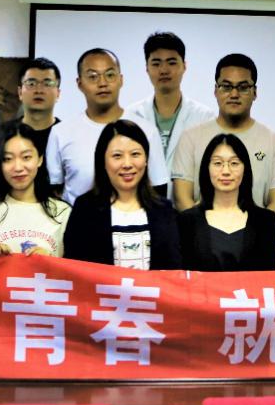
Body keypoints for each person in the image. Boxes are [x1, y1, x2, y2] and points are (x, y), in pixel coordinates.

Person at [46, 48, 169, 205]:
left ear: (121, 80)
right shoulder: (61, 132)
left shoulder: (146, 130)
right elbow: (54, 192)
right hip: (78, 219)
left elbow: (158, 189)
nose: (102, 83)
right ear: (79, 83)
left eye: (110, 75)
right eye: (93, 77)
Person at [173, 53, 275, 212]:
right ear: (215, 91)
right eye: (226, 87)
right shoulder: (190, 138)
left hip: (257, 228)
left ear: (255, 92)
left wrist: (253, 227)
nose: (234, 94)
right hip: (200, 227)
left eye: (243, 87)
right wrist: (203, 226)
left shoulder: (274, 142)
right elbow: (181, 198)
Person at [64, 120, 182, 269]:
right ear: (103, 161)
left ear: (146, 159)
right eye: (117, 156)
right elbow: (73, 268)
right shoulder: (85, 209)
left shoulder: (164, 209)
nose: (127, 164)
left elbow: (174, 269)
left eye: (135, 154)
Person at [0, 123, 70, 257]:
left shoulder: (63, 213)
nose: (18, 167)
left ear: (40, 159)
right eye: (7, 159)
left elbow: (71, 268)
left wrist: (48, 260)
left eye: (26, 157)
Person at [179, 133, 275, 271]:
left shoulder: (266, 220)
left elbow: (269, 275)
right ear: (207, 168)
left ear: (245, 168)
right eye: (218, 163)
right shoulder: (186, 221)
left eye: (234, 163)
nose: (226, 171)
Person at [125, 32, 216, 171]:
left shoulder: (204, 118)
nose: (164, 70)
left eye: (172, 63)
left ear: (184, 66)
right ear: (147, 68)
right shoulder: (131, 117)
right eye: (156, 63)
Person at [9, 57, 62, 157]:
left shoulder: (67, 135)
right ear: (20, 93)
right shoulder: (2, 134)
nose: (39, 90)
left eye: (47, 84)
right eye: (31, 83)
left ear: (58, 94)